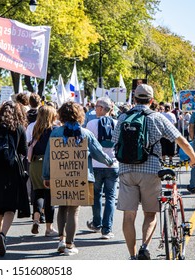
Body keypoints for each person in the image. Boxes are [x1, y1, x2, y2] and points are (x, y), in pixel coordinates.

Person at [112, 84, 195, 260]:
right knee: (150, 214)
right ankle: (144, 247)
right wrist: (193, 157)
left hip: (126, 170)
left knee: (129, 215)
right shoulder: (157, 117)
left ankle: (132, 255)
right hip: (150, 169)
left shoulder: (123, 117)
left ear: (134, 99)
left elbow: (115, 143)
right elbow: (180, 140)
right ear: (151, 100)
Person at [42, 101, 113, 256]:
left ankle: (61, 240)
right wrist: (109, 162)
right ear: (79, 115)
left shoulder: (55, 133)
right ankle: (69, 244)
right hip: (80, 177)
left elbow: (48, 156)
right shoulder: (86, 133)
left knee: (62, 207)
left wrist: (46, 175)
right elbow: (98, 153)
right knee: (73, 211)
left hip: (59, 176)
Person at [0, 101, 30, 257]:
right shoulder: (19, 128)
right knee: (10, 206)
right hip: (11, 171)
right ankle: (3, 234)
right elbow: (23, 151)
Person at [85, 97, 119, 239]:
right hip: (113, 164)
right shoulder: (117, 123)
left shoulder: (91, 123)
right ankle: (107, 229)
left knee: (96, 196)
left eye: (96, 106)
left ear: (101, 108)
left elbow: (85, 143)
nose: (94, 109)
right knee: (110, 197)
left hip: (96, 164)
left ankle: (97, 224)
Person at [27, 105, 59, 237]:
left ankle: (35, 219)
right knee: (50, 196)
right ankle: (49, 228)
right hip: (49, 164)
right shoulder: (55, 130)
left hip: (35, 164)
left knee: (38, 193)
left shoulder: (35, 128)